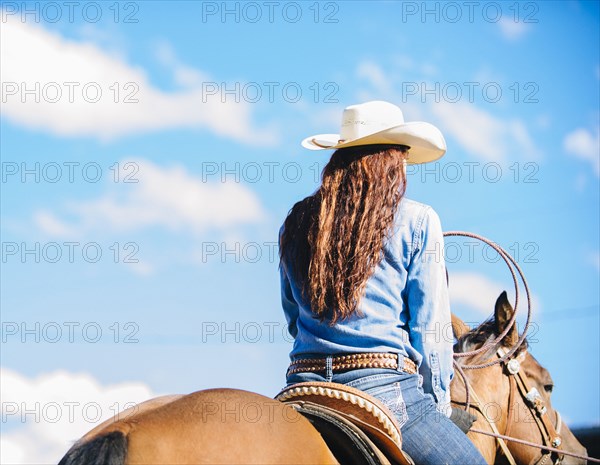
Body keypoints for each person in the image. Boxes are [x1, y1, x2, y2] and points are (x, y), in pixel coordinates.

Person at [277, 101, 486, 464]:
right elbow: (431, 330)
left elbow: (293, 316)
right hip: (384, 391)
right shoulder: (418, 220)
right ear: (390, 161)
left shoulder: (296, 222)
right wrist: (437, 406)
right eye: (402, 157)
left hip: (302, 387)